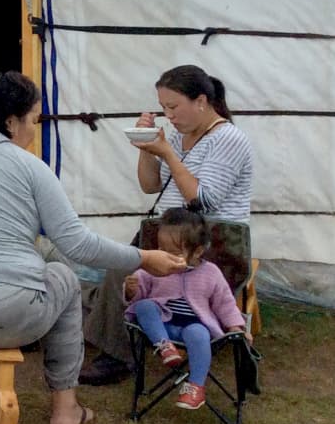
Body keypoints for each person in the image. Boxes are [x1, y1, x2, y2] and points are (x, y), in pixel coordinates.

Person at [0, 71, 187, 424]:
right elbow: (77, 245)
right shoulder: (31, 168)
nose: (34, 131)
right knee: (62, 276)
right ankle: (65, 409)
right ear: (10, 122)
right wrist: (144, 258)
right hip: (9, 317)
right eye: (33, 120)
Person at [79, 64, 255, 385]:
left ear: (201, 101)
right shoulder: (179, 136)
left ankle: (117, 357)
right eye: (163, 108)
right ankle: (69, 322)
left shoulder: (228, 138)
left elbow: (203, 200)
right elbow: (150, 186)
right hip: (168, 234)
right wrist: (148, 149)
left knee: (125, 267)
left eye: (173, 107)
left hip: (206, 244)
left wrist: (168, 153)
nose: (169, 115)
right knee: (99, 275)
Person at [124, 207, 247, 410]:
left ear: (197, 251)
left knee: (199, 334)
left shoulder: (211, 273)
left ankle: (195, 387)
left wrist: (236, 326)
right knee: (144, 306)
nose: (164, 256)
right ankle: (164, 347)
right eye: (160, 249)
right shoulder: (155, 266)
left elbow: (225, 302)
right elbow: (138, 293)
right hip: (162, 325)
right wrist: (131, 291)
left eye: (172, 252)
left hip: (194, 324)